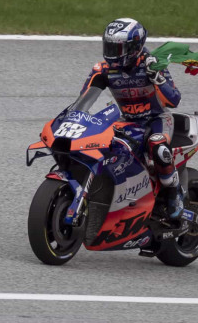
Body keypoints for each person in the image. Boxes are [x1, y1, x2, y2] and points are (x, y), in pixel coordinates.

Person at [77, 17, 184, 219]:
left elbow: (174, 100)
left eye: (117, 49)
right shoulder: (104, 69)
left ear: (134, 47)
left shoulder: (153, 64)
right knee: (100, 145)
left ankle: (175, 192)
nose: (111, 54)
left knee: (158, 146)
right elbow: (83, 101)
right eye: (108, 47)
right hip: (128, 120)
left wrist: (157, 78)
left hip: (157, 119)